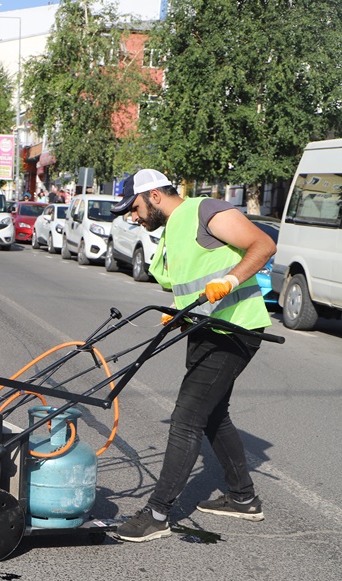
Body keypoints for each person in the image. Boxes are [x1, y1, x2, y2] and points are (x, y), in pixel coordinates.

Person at [109, 169, 277, 542]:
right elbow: (195, 281)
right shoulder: (172, 230)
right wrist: (176, 307)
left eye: (133, 208)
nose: (132, 217)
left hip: (235, 329)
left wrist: (231, 280)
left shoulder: (206, 210)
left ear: (153, 195)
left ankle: (157, 514)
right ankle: (244, 497)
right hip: (205, 328)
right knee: (213, 413)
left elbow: (263, 245)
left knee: (187, 417)